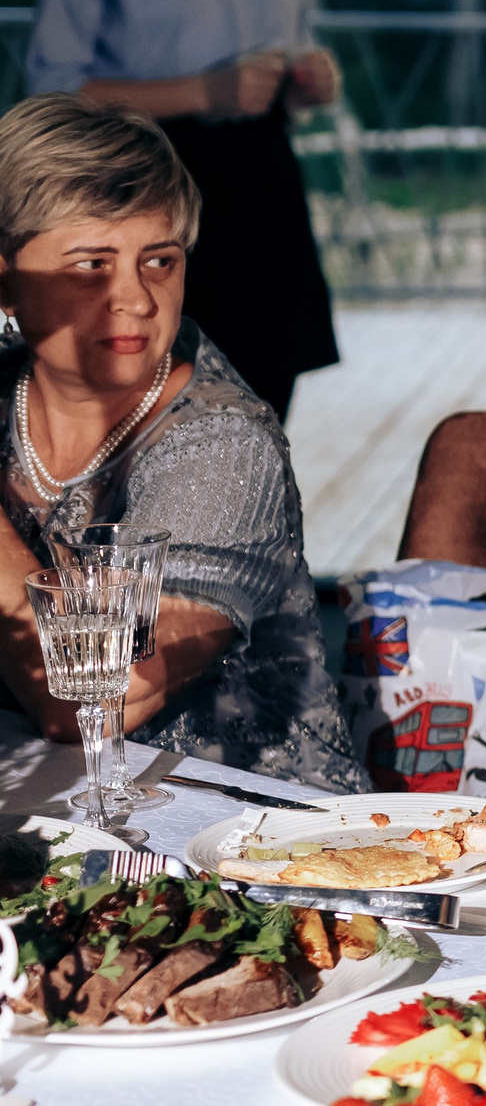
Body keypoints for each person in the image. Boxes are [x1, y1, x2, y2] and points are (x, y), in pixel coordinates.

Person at [0, 93, 363, 790]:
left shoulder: (223, 446)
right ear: (5, 282)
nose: (137, 298)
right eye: (91, 265)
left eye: (159, 260)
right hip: (49, 805)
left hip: (244, 830)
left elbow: (86, 699)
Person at [29, 0, 340, 420]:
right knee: (149, 424)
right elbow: (52, 87)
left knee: (262, 419)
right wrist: (203, 91)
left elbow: (289, 58)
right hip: (144, 191)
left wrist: (305, 85)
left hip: (265, 189)